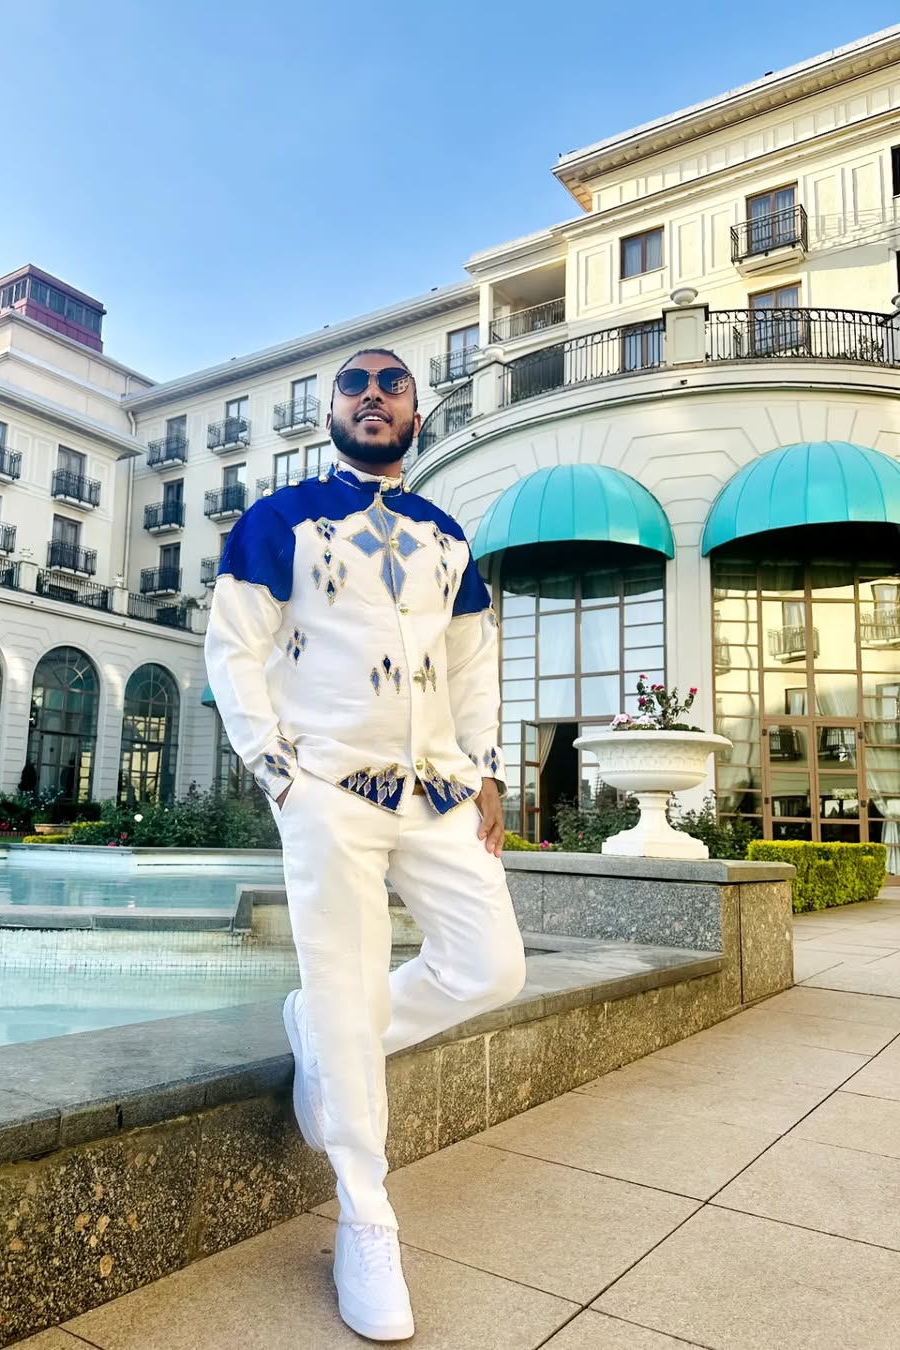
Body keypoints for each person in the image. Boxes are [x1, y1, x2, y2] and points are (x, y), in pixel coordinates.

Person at [204, 348, 527, 1341]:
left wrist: (487, 768)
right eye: (357, 385)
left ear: (417, 414)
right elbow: (233, 649)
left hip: (435, 794)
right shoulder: (279, 522)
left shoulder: (445, 536)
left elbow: (474, 662)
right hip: (329, 792)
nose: (374, 396)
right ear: (332, 411)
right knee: (346, 983)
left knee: (492, 970)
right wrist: (280, 780)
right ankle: (366, 1213)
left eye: (393, 385)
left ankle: (329, 1036)